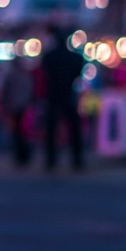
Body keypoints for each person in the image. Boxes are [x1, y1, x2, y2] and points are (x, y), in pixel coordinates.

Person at [41, 27, 85, 170]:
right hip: (68, 94)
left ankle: (51, 159)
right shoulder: (75, 58)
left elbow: (44, 74)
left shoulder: (49, 57)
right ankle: (77, 159)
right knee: (74, 128)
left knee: (51, 129)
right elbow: (78, 74)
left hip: (54, 95)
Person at [0, 57, 35, 167]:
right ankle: (24, 154)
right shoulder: (26, 75)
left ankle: (20, 155)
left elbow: (5, 91)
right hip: (24, 106)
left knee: (17, 132)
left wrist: (5, 105)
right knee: (23, 132)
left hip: (15, 106)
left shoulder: (11, 76)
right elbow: (31, 90)